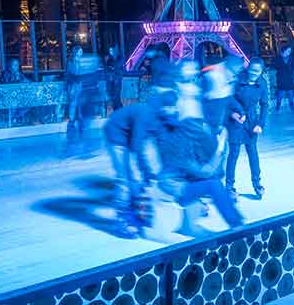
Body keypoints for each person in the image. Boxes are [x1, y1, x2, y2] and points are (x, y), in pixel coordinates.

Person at [156, 61, 243, 234]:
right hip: (173, 187)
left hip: (187, 157)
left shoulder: (195, 92)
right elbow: (204, 171)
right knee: (212, 183)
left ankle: (202, 205)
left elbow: (213, 104)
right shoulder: (174, 138)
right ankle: (237, 225)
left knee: (210, 173)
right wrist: (219, 147)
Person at [103, 97, 155, 238]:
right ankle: (121, 220)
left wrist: (148, 174)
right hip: (115, 134)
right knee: (124, 179)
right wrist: (147, 173)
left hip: (128, 133)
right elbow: (137, 147)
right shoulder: (146, 114)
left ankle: (136, 212)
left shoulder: (160, 118)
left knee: (134, 179)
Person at [226, 58, 268, 199]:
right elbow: (229, 97)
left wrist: (260, 124)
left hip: (251, 120)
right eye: (251, 70)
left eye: (257, 71)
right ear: (248, 68)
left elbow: (265, 105)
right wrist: (236, 112)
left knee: (252, 152)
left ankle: (257, 184)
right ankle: (229, 187)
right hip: (236, 118)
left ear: (262, 71)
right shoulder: (238, 79)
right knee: (234, 153)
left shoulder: (262, 83)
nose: (253, 73)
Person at [65, 46, 102, 153]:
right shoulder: (71, 61)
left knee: (79, 103)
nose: (81, 53)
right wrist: (73, 83)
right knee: (73, 103)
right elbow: (69, 74)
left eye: (82, 51)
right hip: (74, 85)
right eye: (80, 51)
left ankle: (79, 119)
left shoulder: (82, 61)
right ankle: (72, 121)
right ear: (75, 52)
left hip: (80, 85)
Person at [272, 46, 294, 112]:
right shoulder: (278, 58)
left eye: (290, 51)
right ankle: (278, 106)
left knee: (290, 92)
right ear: (284, 51)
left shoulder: (291, 58)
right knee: (280, 93)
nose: (289, 52)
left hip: (289, 78)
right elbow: (275, 66)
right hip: (281, 78)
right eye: (288, 50)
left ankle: (292, 105)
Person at [104, 45, 124, 112]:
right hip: (110, 80)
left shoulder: (120, 58)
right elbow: (107, 68)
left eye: (112, 50)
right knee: (112, 97)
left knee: (117, 96)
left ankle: (119, 111)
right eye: (109, 51)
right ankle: (118, 110)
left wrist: (112, 67)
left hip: (117, 80)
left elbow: (117, 66)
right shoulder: (109, 59)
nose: (110, 52)